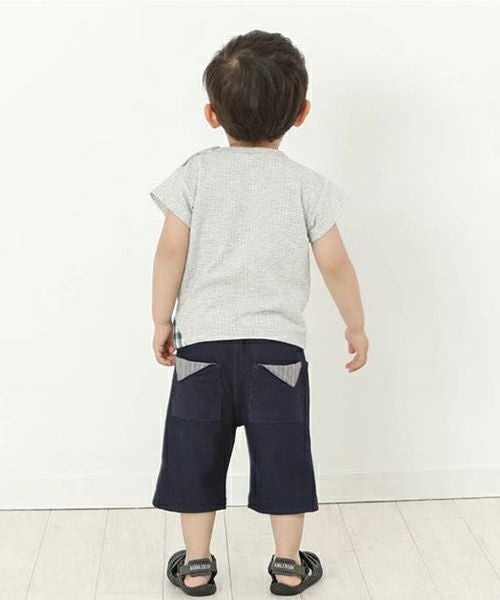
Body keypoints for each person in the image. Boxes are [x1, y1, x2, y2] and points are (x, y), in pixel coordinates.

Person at [149, 29, 368, 597]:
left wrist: (162, 319)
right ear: (301, 114)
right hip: (278, 353)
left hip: (202, 349)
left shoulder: (195, 174)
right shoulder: (306, 186)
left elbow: (170, 251)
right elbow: (336, 263)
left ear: (212, 113)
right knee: (284, 457)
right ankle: (288, 565)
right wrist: (355, 324)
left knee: (195, 454)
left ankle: (197, 565)